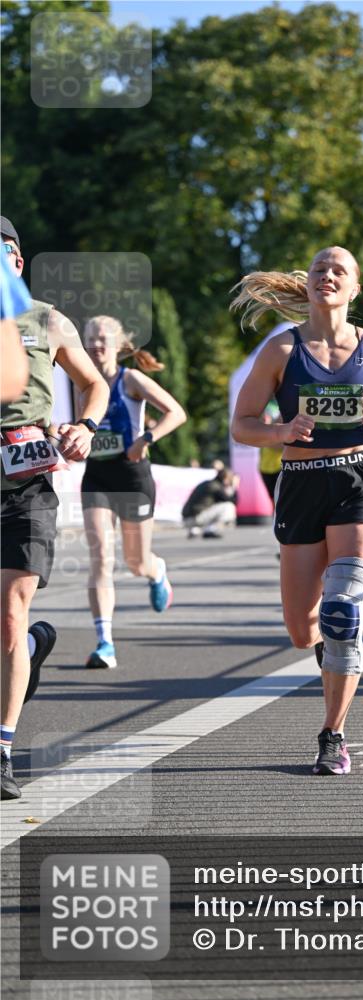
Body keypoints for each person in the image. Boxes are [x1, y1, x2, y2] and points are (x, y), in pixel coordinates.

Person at [230, 246, 363, 775]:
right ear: (307, 284)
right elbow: (242, 424)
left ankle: (333, 733)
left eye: (339, 271)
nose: (327, 276)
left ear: (354, 288)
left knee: (342, 610)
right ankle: (331, 649)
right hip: (300, 484)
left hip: (357, 478)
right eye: (319, 269)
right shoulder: (281, 351)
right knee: (302, 628)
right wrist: (281, 431)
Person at [1, 216, 109, 800]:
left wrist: (86, 426)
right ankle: (36, 649)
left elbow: (95, 384)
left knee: (10, 614)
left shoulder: (47, 320)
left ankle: (1, 749)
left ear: (17, 261)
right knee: (8, 629)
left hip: (26, 484)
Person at [80, 315, 187, 669]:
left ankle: (156, 572)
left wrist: (146, 439)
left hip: (132, 477)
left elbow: (176, 413)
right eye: (90, 339)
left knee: (135, 562)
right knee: (101, 558)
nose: (96, 346)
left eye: (102, 340)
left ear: (117, 346)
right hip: (96, 476)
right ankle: (104, 642)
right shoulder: (78, 381)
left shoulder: (131, 380)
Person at [0, 250, 30, 402]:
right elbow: (12, 378)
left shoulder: (47, 318)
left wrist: (85, 424)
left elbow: (91, 383)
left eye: (7, 249)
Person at [182, 460, 239, 538]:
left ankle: (196, 529)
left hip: (187, 519)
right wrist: (234, 487)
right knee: (229, 506)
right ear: (226, 479)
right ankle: (211, 529)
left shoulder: (207, 483)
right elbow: (232, 501)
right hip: (196, 518)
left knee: (215, 506)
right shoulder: (215, 487)